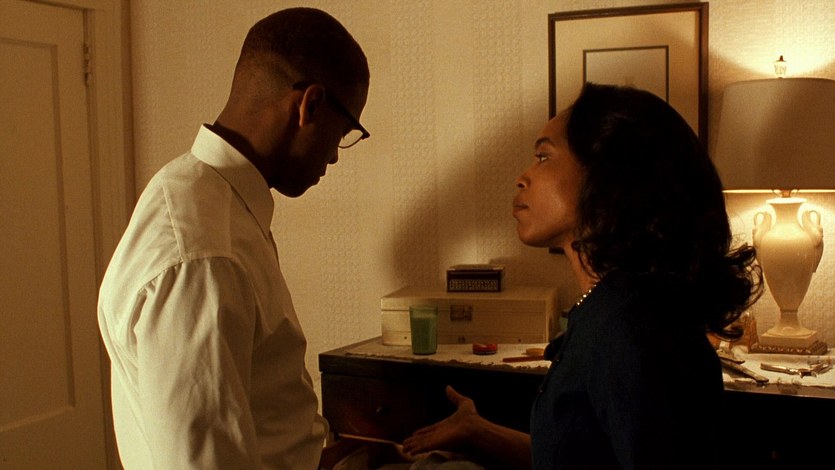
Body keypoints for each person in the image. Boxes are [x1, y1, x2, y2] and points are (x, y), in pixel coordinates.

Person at [402, 83, 762, 469]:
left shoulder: (628, 327)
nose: (522, 177)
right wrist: (479, 432)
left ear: (607, 178)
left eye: (543, 157)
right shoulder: (609, 307)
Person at [97, 8, 369, 469]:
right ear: (310, 105)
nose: (335, 157)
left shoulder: (200, 197)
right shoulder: (203, 258)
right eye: (342, 133)